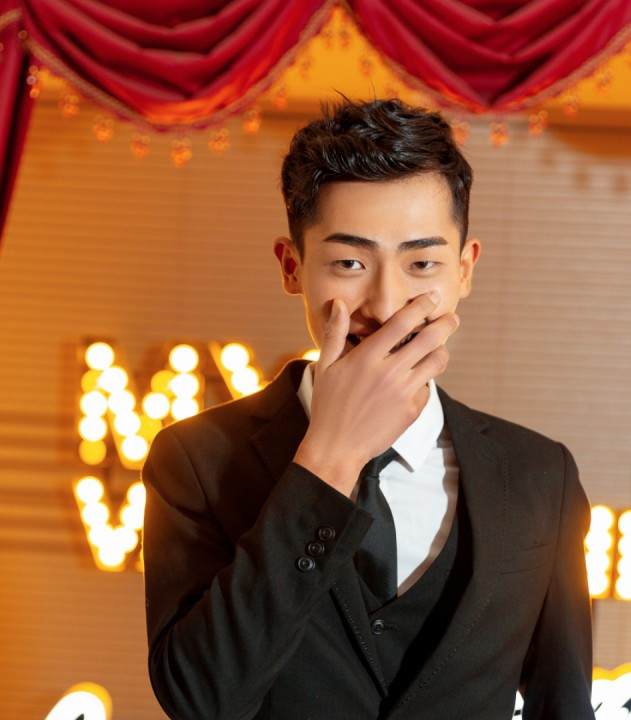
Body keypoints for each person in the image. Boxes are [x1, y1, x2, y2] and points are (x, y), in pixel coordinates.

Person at [142, 98, 594, 720]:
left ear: (465, 270)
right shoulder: (196, 461)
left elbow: (563, 707)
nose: (384, 306)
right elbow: (200, 701)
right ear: (292, 267)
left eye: (422, 263)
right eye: (350, 263)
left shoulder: (540, 476)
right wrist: (330, 458)